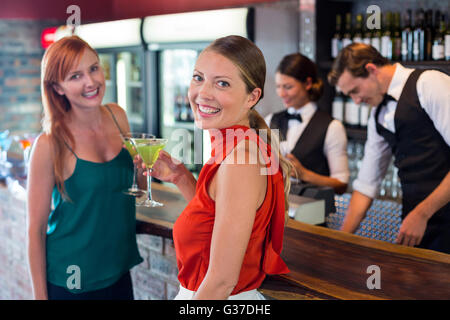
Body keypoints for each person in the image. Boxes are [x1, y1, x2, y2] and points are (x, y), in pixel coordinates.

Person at [149, 35, 292, 299]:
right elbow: (216, 221)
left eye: (222, 83)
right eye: (198, 77)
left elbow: (222, 281)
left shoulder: (240, 159)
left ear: (252, 97)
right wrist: (182, 177)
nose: (202, 93)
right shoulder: (236, 144)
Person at [27, 36, 143, 300]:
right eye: (75, 76)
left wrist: (148, 172)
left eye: (93, 68)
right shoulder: (48, 144)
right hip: (71, 283)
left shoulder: (118, 116)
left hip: (118, 273)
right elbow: (35, 230)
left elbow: (134, 186)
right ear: (57, 87)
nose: (91, 82)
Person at [328, 43, 450, 253]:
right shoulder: (378, 116)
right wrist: (339, 241)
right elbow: (366, 185)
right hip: (418, 225)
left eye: (355, 91)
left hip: (431, 216)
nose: (356, 101)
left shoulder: (429, 84)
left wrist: (421, 213)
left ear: (371, 70)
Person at [265, 53, 349, 194]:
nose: (281, 93)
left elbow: (341, 185)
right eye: (278, 86)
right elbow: (261, 170)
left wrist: (304, 174)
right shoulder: (269, 120)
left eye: (288, 87)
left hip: (314, 210)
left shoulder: (332, 127)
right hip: (275, 208)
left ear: (308, 84)